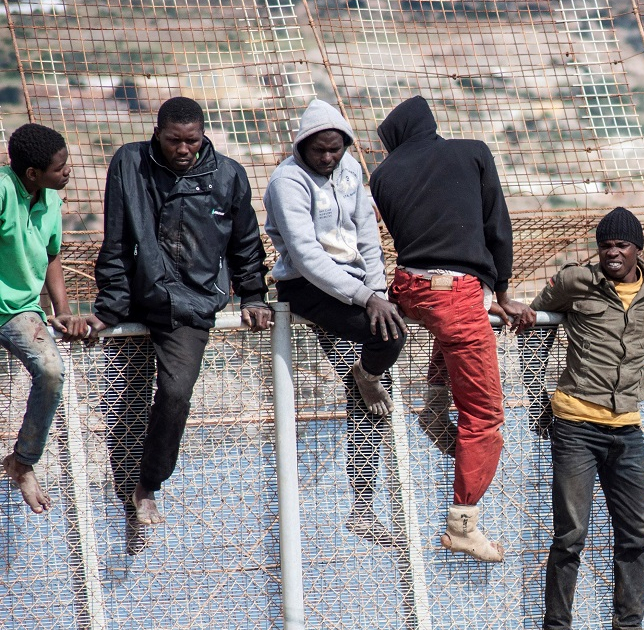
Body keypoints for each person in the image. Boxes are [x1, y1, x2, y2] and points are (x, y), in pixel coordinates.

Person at [83, 97, 271, 529]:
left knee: (174, 395)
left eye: (191, 140)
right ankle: (123, 496)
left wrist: (254, 297)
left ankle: (148, 484)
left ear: (203, 135)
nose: (182, 149)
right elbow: (115, 240)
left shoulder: (228, 176)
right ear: (158, 133)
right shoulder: (129, 163)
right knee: (124, 404)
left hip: (191, 305)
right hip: (135, 298)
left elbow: (245, 245)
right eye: (173, 141)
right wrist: (108, 307)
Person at [371, 95, 534, 562]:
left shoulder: (382, 175)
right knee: (484, 417)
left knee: (453, 331)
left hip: (408, 289)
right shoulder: (472, 151)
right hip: (457, 293)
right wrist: (502, 292)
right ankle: (463, 524)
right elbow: (495, 224)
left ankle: (435, 403)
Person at [264, 99, 406, 546]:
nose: (328, 158)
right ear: (303, 145)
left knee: (368, 399)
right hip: (307, 285)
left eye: (336, 150)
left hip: (355, 284)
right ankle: (366, 373)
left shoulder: (349, 175)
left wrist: (378, 293)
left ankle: (362, 507)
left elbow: (368, 237)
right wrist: (366, 300)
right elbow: (305, 256)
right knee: (382, 333)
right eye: (320, 150)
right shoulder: (288, 182)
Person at [526, 207, 644, 630]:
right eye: (605, 246)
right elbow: (533, 327)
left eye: (621, 245)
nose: (612, 253)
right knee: (570, 538)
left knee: (636, 535)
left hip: (627, 428)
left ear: (638, 248)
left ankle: (629, 624)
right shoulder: (574, 281)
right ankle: (557, 625)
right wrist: (537, 399)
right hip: (576, 426)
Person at [0, 123, 86, 514]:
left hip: (19, 311)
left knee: (51, 370)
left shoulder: (50, 198)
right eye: (60, 167)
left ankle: (23, 462)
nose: (67, 171)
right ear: (32, 174)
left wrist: (61, 310)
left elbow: (53, 254)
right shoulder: (3, 189)